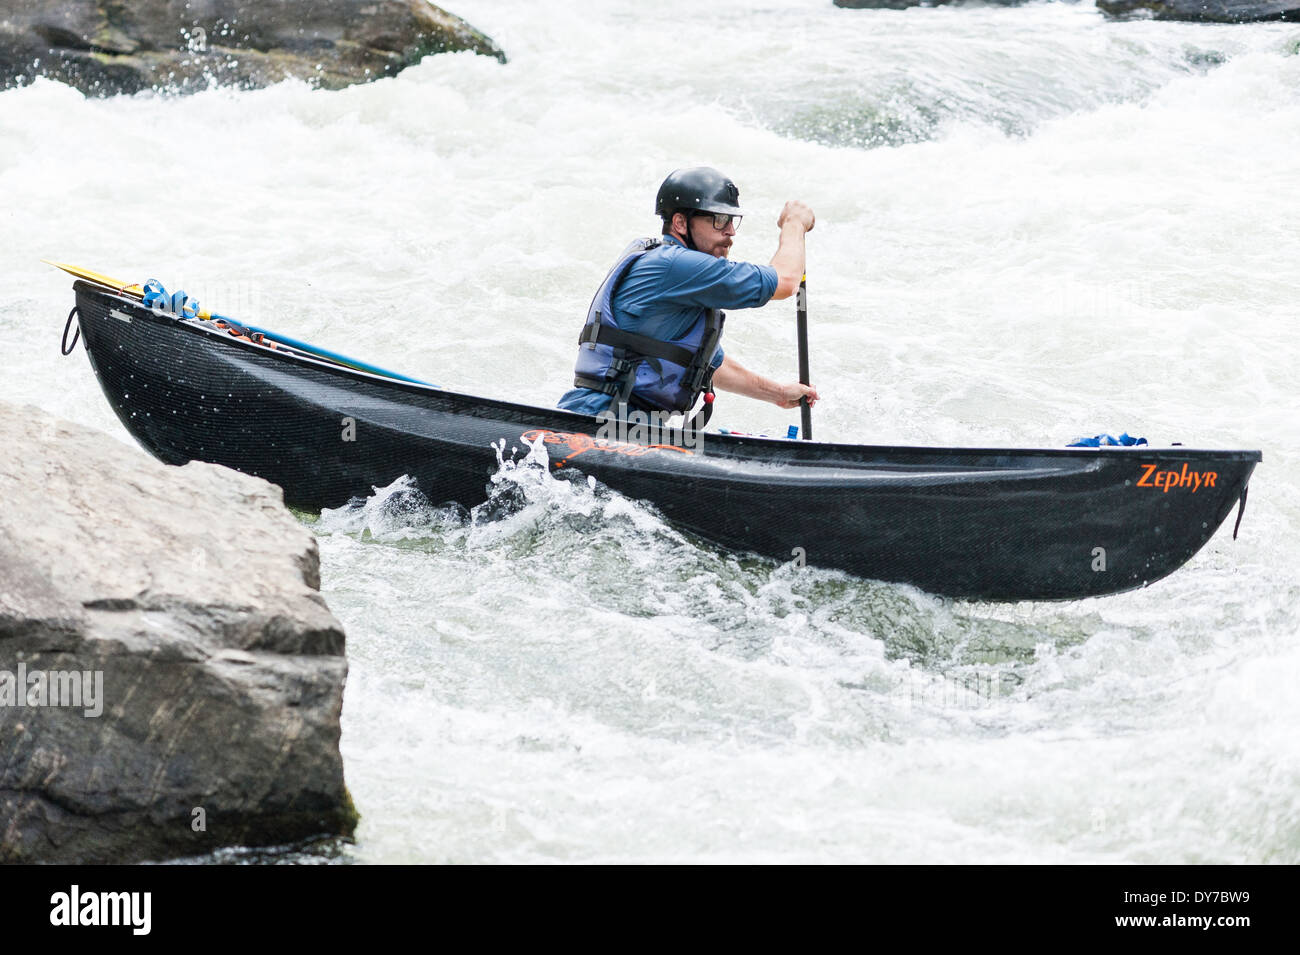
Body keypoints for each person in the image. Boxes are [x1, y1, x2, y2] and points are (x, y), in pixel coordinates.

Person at [557, 167, 818, 429]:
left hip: (630, 422)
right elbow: (785, 282)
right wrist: (794, 224)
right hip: (602, 420)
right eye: (718, 219)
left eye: (731, 220)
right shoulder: (674, 266)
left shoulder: (675, 274)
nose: (730, 231)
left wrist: (778, 394)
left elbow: (705, 363)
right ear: (681, 223)